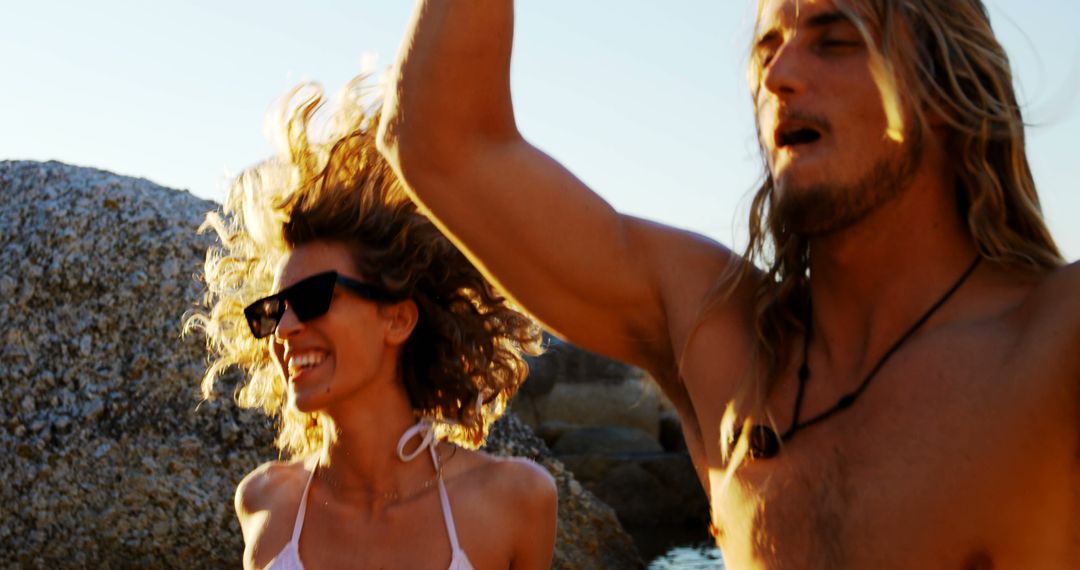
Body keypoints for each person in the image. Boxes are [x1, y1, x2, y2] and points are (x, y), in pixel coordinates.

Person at [377, 0, 1079, 567]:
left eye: (834, 41)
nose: (780, 76)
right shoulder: (723, 341)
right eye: (768, 47)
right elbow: (443, 143)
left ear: (945, 89)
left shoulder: (1052, 349)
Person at [188, 81, 557, 569]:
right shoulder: (265, 503)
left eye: (312, 298)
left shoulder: (513, 501)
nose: (284, 329)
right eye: (272, 312)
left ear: (398, 318)